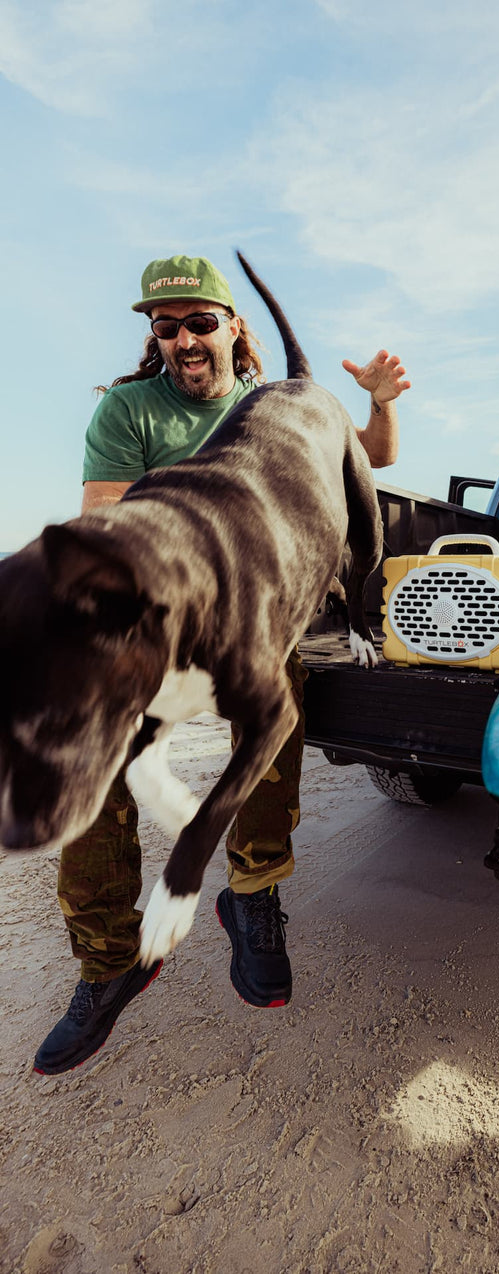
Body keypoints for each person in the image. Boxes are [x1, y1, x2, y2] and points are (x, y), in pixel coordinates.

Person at [33, 254, 410, 1075]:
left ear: (235, 327)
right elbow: (108, 528)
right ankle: (107, 965)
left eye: (200, 321)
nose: (183, 339)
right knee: (95, 767)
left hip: (262, 611)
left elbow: (367, 457)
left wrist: (377, 405)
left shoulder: (278, 403)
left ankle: (253, 896)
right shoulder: (129, 410)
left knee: (275, 718)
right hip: (163, 611)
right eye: (165, 327)